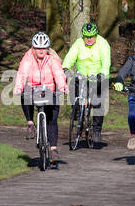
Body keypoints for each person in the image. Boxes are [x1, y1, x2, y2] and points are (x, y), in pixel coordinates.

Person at [14, 32, 69, 160]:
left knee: (52, 119)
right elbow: (22, 74)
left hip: (49, 90)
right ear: (33, 48)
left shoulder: (52, 59)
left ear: (48, 48)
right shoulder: (27, 58)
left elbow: (58, 74)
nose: (41, 51)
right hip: (33, 89)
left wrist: (62, 87)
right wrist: (18, 87)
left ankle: (53, 148)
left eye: (44, 48)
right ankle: (30, 123)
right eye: (38, 48)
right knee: (25, 95)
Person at [62, 21, 112, 147]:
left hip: (98, 76)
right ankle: (77, 113)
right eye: (86, 37)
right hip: (82, 74)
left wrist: (103, 74)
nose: (88, 39)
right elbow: (69, 57)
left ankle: (96, 130)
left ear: (96, 35)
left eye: (91, 37)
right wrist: (66, 68)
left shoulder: (103, 44)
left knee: (97, 102)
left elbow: (106, 63)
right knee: (73, 85)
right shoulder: (78, 43)